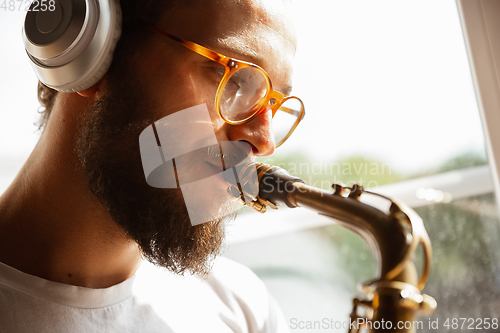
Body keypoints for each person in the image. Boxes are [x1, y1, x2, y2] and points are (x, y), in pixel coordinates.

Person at [0, 0, 303, 331]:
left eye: (274, 103)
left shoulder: (243, 307)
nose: (264, 140)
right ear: (92, 53)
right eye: (230, 76)